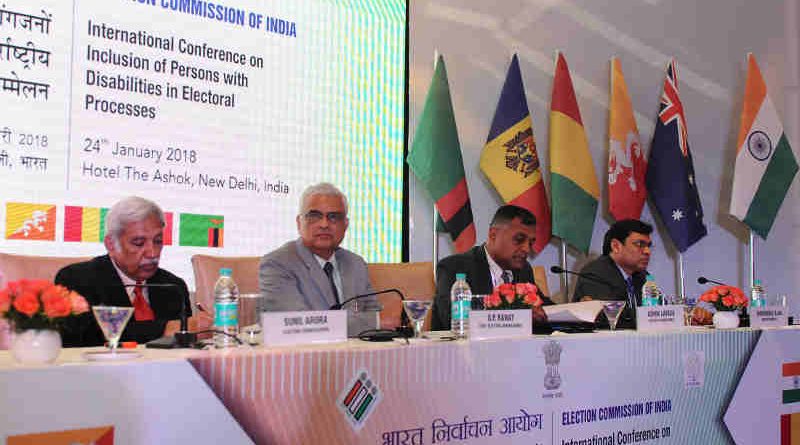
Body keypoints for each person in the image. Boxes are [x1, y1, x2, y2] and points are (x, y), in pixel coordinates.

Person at [55, 196, 191, 347]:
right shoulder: (77, 279)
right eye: (139, 243)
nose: (152, 253)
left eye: (158, 241)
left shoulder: (173, 286)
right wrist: (165, 328)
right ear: (111, 244)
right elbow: (86, 336)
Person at [259, 183, 379, 321]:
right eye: (314, 216)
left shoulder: (356, 263)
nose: (324, 224)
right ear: (299, 223)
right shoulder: (277, 264)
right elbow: (297, 324)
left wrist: (372, 322)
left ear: (345, 225)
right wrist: (364, 323)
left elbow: (376, 318)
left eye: (333, 217)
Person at [431, 205, 553, 331]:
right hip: (463, 349)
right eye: (519, 239)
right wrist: (516, 316)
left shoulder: (524, 270)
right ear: (493, 235)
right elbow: (452, 319)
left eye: (531, 242)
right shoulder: (454, 268)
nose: (527, 249)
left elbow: (545, 308)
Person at [571, 219, 653, 328]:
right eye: (639, 244)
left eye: (648, 245)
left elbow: (657, 307)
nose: (647, 251)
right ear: (616, 246)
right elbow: (609, 317)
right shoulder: (595, 273)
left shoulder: (642, 276)